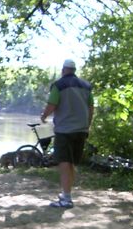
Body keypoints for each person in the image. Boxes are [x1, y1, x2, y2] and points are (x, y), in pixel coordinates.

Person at [40, 59, 94, 208]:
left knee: (64, 162)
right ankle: (67, 193)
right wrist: (87, 125)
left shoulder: (59, 85)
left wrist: (44, 116)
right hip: (81, 130)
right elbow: (91, 108)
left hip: (64, 130)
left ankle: (66, 198)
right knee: (72, 163)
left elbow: (52, 104)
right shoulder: (86, 86)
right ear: (74, 70)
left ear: (63, 70)